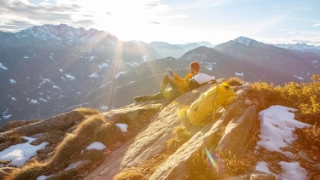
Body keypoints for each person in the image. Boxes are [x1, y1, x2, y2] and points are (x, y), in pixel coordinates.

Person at [134, 61, 214, 102]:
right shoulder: (190, 75)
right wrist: (175, 75)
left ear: (192, 68)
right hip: (178, 87)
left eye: (190, 67)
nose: (189, 69)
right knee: (167, 75)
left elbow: (183, 86)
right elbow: (183, 81)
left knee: (158, 96)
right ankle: (162, 90)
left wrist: (173, 81)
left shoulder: (196, 78)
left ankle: (143, 98)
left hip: (179, 91)